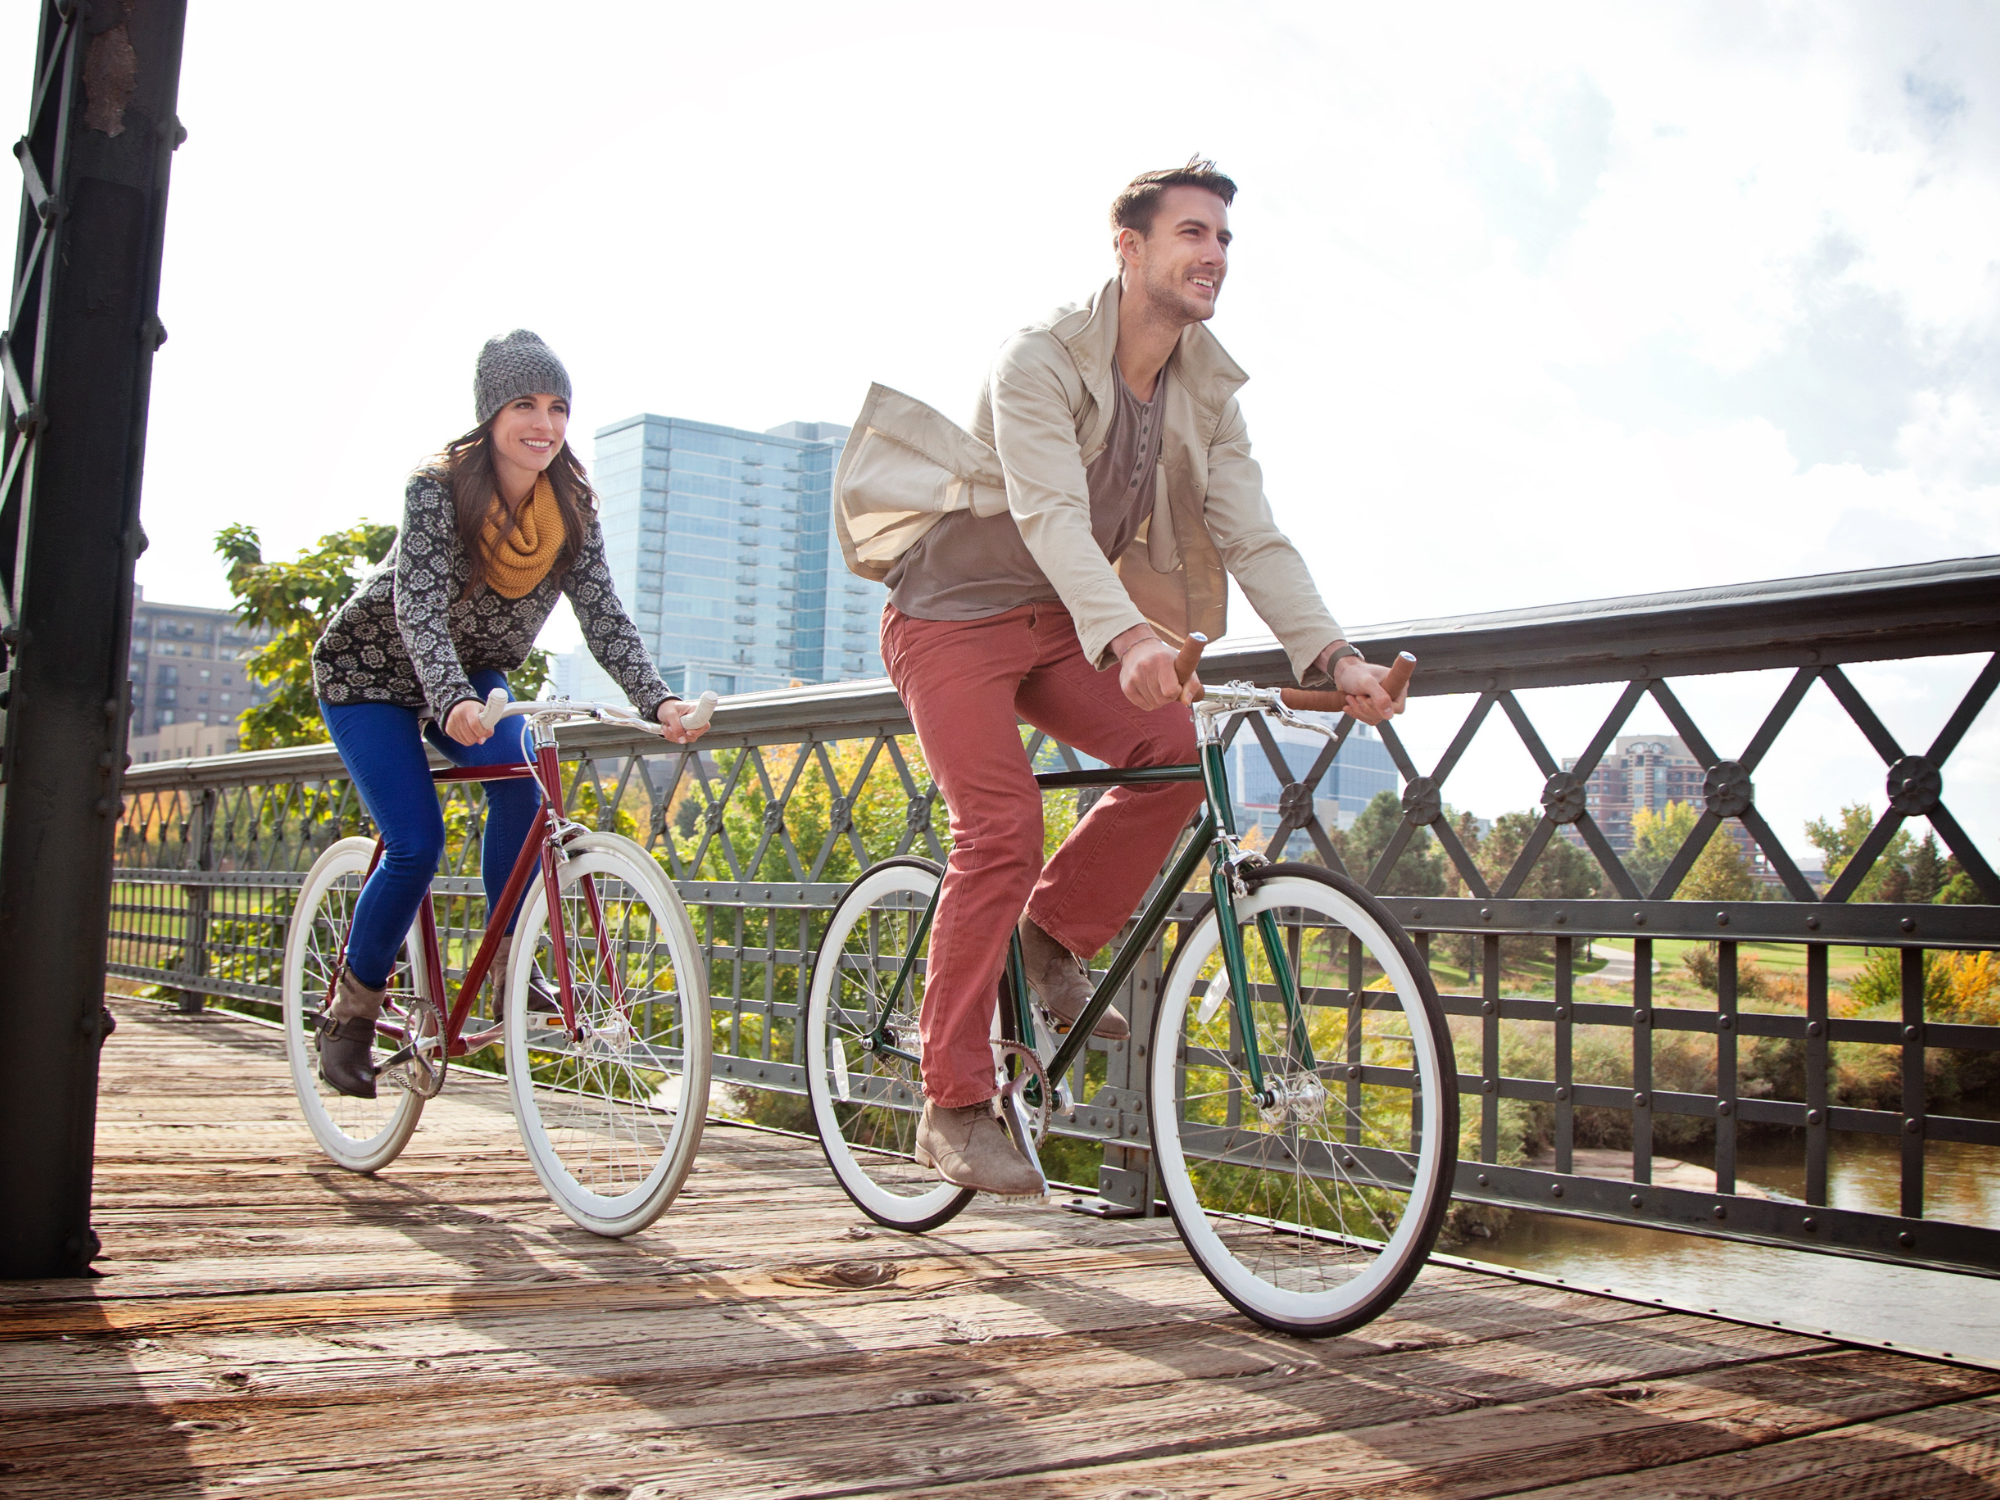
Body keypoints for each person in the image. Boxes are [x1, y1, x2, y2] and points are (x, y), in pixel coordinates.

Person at [833, 161, 1407, 1195]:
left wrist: (1332, 655)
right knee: (999, 828)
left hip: (1060, 623)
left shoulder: (1205, 389)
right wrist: (1130, 639)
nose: (1213, 256)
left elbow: (1252, 534)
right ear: (1128, 247)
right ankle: (950, 1101)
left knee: (1176, 758)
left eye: (1224, 239)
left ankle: (1050, 935)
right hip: (951, 619)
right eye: (1192, 233)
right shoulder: (1038, 358)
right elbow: (1049, 513)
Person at [309, 330, 709, 1098]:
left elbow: (605, 618)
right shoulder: (437, 488)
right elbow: (417, 607)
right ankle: (351, 1014)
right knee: (415, 842)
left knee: (524, 791)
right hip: (373, 673)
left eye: (558, 407)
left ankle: (511, 972)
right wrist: (451, 699)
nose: (545, 423)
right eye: (525, 404)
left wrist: (657, 700)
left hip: (475, 676)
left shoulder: (570, 508)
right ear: (490, 414)